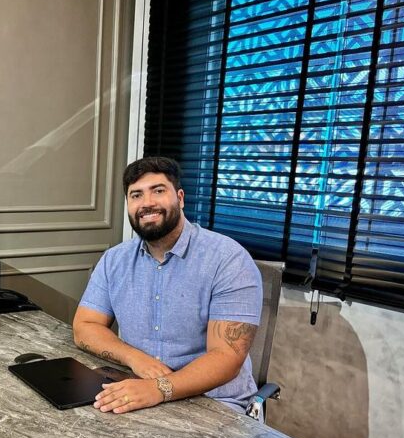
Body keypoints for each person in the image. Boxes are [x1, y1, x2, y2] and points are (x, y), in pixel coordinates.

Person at [73, 157, 262, 415]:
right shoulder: (114, 260)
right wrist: (134, 358)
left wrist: (160, 388)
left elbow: (226, 357)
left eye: (158, 191)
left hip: (214, 405)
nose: (147, 203)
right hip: (139, 389)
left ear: (180, 198)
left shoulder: (228, 259)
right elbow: (85, 327)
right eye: (136, 195)